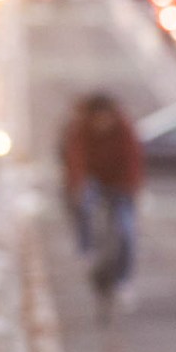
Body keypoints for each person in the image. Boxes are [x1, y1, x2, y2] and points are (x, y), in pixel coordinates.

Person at [60, 94, 143, 310]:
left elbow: (133, 160)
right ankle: (85, 247)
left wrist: (131, 188)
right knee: (84, 203)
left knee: (127, 231)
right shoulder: (80, 130)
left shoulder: (124, 130)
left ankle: (124, 280)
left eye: (106, 120)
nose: (101, 125)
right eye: (97, 120)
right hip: (94, 178)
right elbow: (76, 159)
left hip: (120, 182)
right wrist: (77, 185)